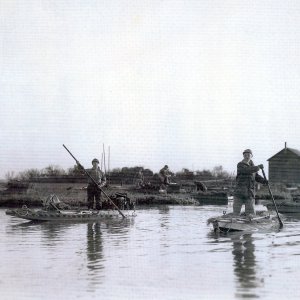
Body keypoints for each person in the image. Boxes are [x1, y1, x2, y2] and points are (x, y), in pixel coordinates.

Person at [233, 149, 268, 216]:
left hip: (249, 193)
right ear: (243, 156)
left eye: (248, 155)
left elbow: (256, 176)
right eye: (245, 155)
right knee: (236, 212)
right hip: (239, 192)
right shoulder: (240, 165)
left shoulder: (253, 167)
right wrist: (257, 167)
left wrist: (264, 181)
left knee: (251, 213)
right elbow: (246, 170)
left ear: (251, 156)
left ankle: (250, 224)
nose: (247, 156)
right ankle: (233, 223)